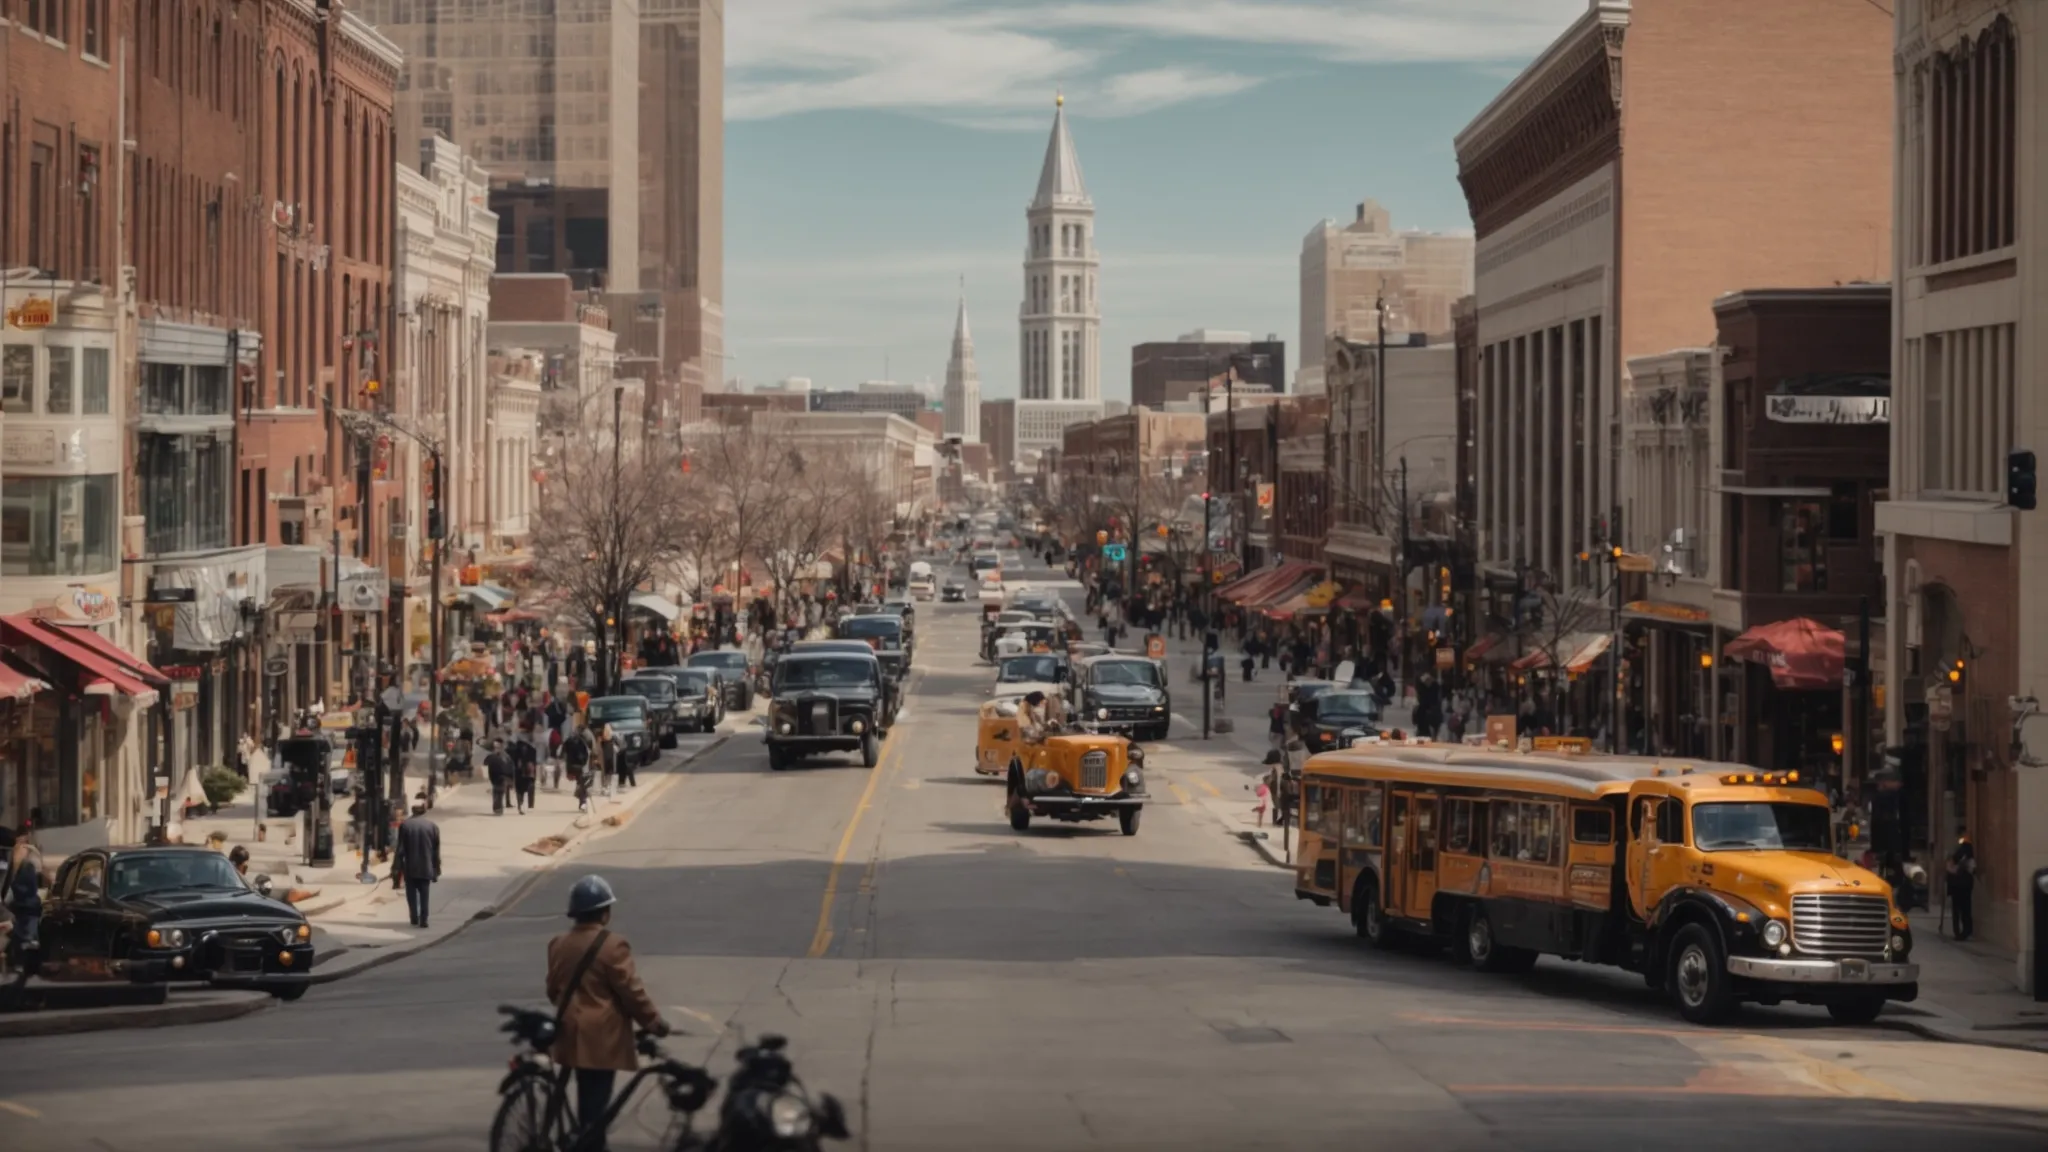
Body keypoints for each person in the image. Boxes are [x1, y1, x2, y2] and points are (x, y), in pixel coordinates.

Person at [547, 874, 668, 1149]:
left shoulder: (558, 944)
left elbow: (553, 990)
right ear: (605, 912)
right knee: (596, 1103)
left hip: (568, 1030)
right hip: (601, 1035)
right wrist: (653, 1022)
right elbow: (631, 992)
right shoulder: (613, 946)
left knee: (584, 1095)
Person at [391, 794, 441, 929]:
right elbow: (436, 852)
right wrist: (436, 870)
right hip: (426, 866)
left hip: (410, 867)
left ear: (412, 810)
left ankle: (414, 917)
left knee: (411, 893)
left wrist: (396, 868)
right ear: (424, 810)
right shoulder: (432, 826)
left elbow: (400, 849)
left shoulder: (405, 826)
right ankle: (424, 919)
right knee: (425, 893)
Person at [1946, 833, 1977, 941]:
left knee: (1958, 910)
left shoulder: (1958, 857)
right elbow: (1972, 870)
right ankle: (1964, 931)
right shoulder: (1968, 858)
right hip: (1964, 887)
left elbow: (1950, 869)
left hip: (1957, 887)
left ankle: (1960, 932)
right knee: (1965, 909)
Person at [485, 740, 514, 815]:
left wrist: (512, 779)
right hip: (494, 777)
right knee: (496, 792)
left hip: (503, 776)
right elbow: (485, 764)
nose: (496, 749)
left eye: (498, 747)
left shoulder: (506, 757)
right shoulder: (491, 756)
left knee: (500, 791)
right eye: (495, 747)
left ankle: (498, 808)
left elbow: (511, 767)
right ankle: (496, 807)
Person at [512, 736, 540, 813]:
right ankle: (520, 804)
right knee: (520, 790)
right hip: (520, 773)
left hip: (526, 773)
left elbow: (534, 764)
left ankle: (522, 804)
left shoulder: (531, 750)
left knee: (522, 789)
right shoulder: (517, 750)